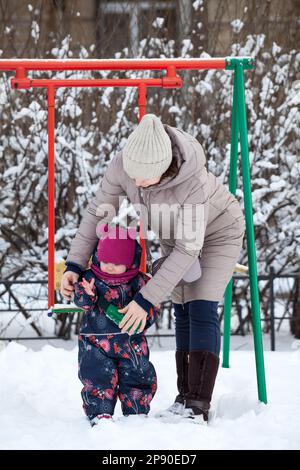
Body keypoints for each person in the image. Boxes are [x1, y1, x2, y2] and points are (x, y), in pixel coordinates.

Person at [61, 113, 245, 424]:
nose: (136, 184)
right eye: (132, 176)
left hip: (217, 234)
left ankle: (197, 404)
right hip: (176, 237)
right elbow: (98, 213)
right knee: (181, 306)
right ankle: (183, 397)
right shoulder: (124, 165)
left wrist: (145, 299)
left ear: (164, 168)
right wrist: (76, 263)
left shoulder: (193, 182)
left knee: (199, 303)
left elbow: (191, 248)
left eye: (144, 178)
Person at [72, 223, 159, 426]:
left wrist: (145, 318)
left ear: (129, 262)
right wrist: (86, 294)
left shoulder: (139, 282)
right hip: (95, 342)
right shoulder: (90, 278)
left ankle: (136, 412)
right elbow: (81, 302)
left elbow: (151, 310)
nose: (110, 266)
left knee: (138, 374)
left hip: (131, 342)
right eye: (106, 260)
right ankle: (99, 413)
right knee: (96, 376)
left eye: (117, 261)